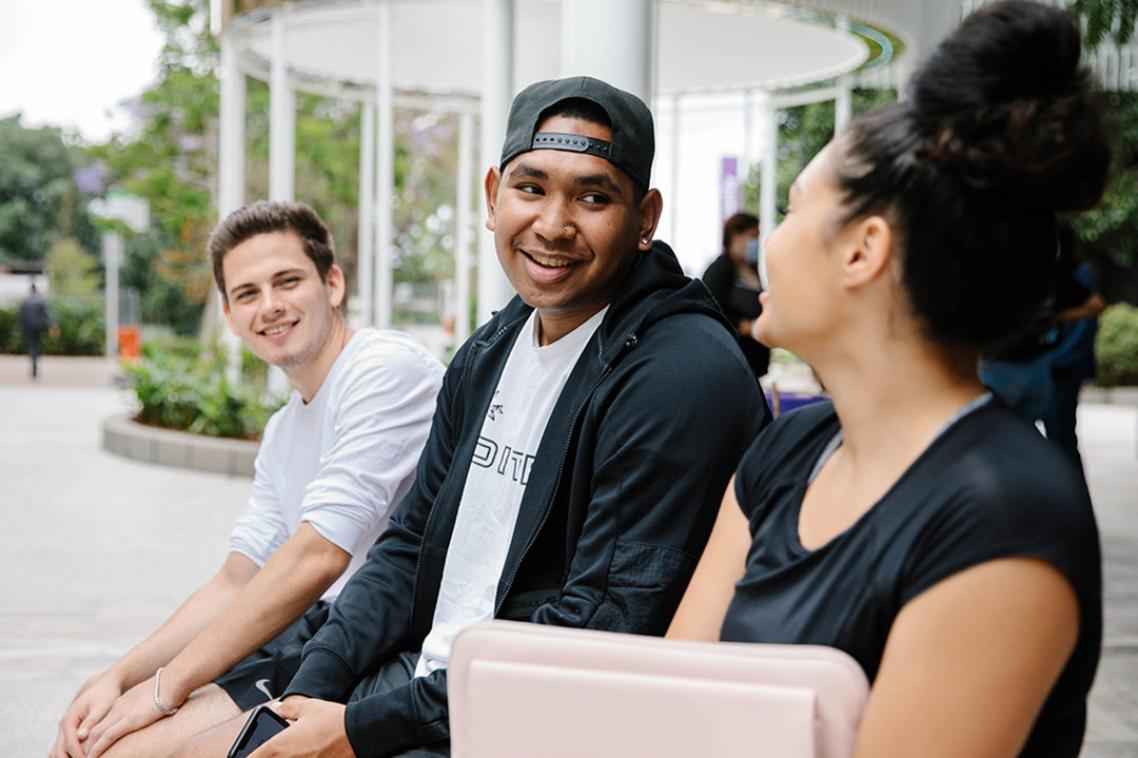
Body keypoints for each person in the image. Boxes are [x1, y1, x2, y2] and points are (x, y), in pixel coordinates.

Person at [179, 76, 768, 758]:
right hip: (423, 685)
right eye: (531, 188)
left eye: (594, 196)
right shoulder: (495, 346)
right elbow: (407, 544)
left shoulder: (680, 375)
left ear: (644, 218)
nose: (553, 223)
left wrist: (353, 731)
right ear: (493, 197)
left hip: (534, 726)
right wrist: (310, 697)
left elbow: (598, 631)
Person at [668, 3, 1107, 757]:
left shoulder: (1003, 515)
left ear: (862, 251)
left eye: (792, 207)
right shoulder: (785, 454)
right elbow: (670, 704)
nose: (770, 239)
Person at [51, 202, 444, 758]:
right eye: (248, 293)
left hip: (381, 641)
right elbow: (235, 581)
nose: (272, 306)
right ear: (232, 318)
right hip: (309, 629)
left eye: (287, 281)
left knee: (135, 751)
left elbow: (318, 556)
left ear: (332, 284)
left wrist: (164, 691)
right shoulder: (284, 429)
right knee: (93, 735)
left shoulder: (383, 369)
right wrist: (118, 679)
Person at [979, 223, 1105, 435]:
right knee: (1030, 434)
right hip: (1031, 365)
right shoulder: (1049, 272)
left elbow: (1095, 305)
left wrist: (1056, 318)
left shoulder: (1011, 271)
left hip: (1012, 365)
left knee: (999, 435)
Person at [1042, 259, 1105, 466]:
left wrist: (1059, 359)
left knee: (1062, 441)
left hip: (1058, 366)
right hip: (1036, 364)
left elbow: (1091, 312)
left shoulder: (1075, 271)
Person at [701, 212, 770, 380]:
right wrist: (742, 326)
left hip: (753, 363)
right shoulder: (720, 269)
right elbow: (708, 310)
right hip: (729, 361)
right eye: (753, 236)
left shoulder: (751, 269)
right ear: (736, 236)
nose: (756, 243)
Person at [17, 281, 56, 379]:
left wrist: (21, 327)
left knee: (31, 345)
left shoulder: (25, 301)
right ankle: (35, 361)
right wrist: (52, 325)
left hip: (28, 327)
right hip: (38, 327)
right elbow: (48, 314)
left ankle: (33, 360)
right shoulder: (41, 301)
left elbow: (20, 316)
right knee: (36, 345)